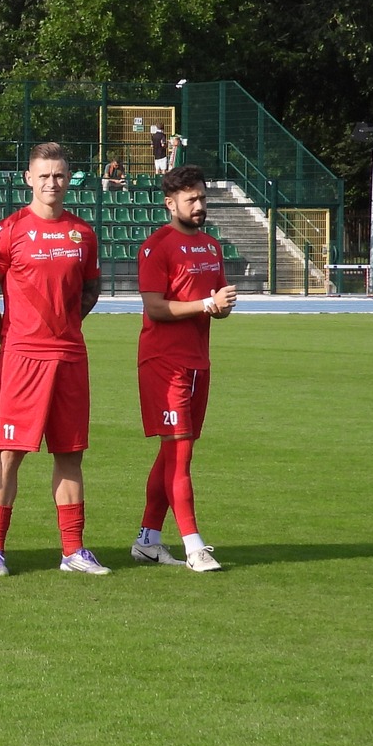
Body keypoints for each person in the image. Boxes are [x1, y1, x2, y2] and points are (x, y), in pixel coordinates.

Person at [0, 141, 107, 576]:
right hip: (22, 360)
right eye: (44, 175)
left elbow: (90, 290)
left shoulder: (82, 233)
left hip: (69, 357)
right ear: (28, 178)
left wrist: (65, 326)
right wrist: (9, 337)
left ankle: (73, 551)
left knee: (70, 454)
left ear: (69, 179)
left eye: (59, 175)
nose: (52, 182)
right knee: (9, 454)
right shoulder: (9, 231)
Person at [132, 166, 236, 572]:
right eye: (191, 199)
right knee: (180, 453)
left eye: (202, 198)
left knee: (172, 453)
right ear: (170, 203)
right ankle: (194, 546)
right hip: (164, 362)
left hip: (197, 362)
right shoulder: (156, 246)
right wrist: (206, 305)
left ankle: (147, 541)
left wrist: (220, 307)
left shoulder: (211, 246)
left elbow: (218, 305)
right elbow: (155, 307)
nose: (199, 205)